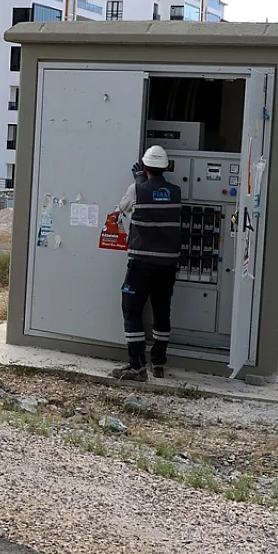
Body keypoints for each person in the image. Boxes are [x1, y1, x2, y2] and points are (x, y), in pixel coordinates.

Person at [110, 145, 182, 382]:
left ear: (144, 167)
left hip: (141, 263)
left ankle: (137, 366)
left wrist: (140, 183)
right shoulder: (175, 191)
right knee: (162, 310)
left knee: (131, 309)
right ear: (165, 168)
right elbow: (159, 200)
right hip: (168, 265)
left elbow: (122, 207)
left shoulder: (136, 190)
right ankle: (159, 363)